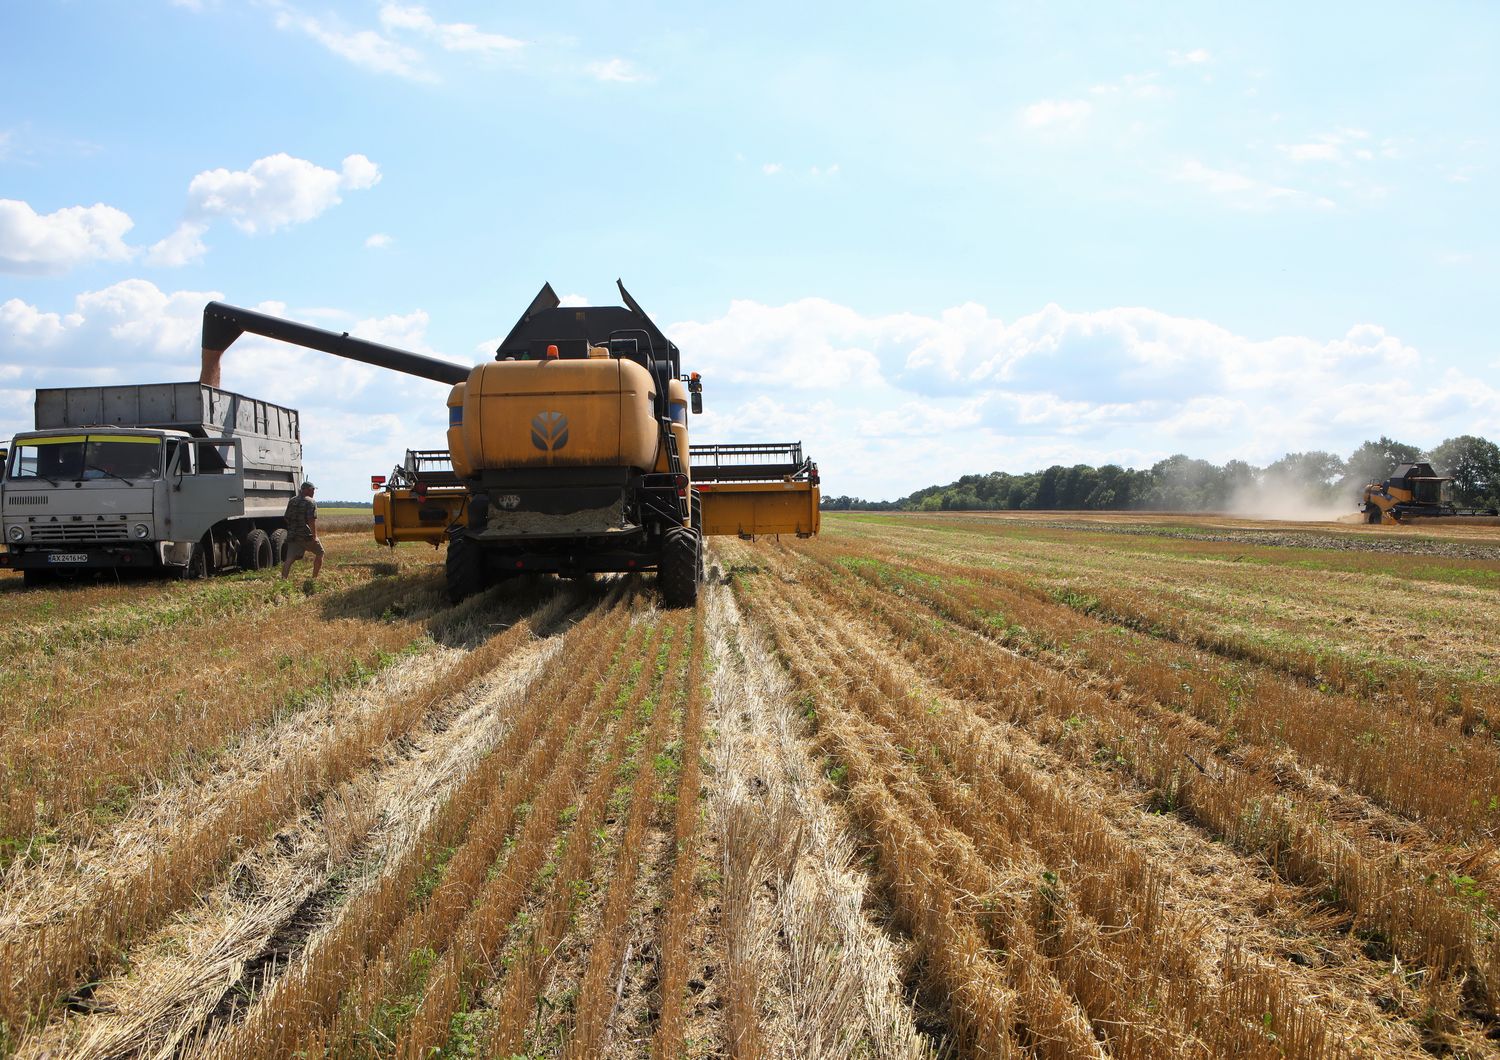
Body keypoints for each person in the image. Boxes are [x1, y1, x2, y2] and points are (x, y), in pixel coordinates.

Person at [281, 480, 324, 580]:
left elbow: (286, 517)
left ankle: (283, 580)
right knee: (320, 553)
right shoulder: (310, 502)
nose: (313, 492)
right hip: (306, 535)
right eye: (312, 490)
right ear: (307, 490)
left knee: (289, 559)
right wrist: (314, 536)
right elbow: (311, 521)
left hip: (292, 535)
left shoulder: (292, 500)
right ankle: (314, 579)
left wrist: (293, 527)